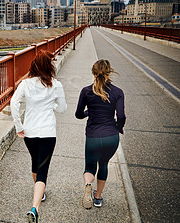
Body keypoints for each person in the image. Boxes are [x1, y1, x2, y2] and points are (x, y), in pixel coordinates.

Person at [11, 49, 67, 223]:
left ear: (34, 65)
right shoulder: (56, 85)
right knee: (43, 170)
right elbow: (63, 108)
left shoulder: (25, 84)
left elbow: (14, 103)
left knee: (35, 161)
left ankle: (39, 193)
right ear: (49, 66)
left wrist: (19, 127)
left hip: (30, 132)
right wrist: (52, 107)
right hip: (48, 133)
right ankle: (35, 208)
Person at [75, 59, 126, 209]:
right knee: (103, 164)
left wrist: (88, 112)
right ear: (109, 72)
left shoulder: (86, 91)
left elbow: (78, 114)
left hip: (93, 136)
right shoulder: (118, 92)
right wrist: (119, 127)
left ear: (93, 72)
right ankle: (97, 198)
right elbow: (121, 116)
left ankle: (88, 184)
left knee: (90, 167)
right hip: (111, 136)